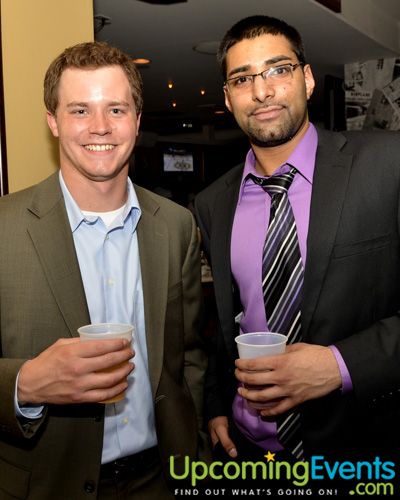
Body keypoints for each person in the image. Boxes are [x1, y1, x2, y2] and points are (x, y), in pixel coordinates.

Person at [0, 41, 208, 499]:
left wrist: (192, 446)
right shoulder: (5, 228)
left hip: (162, 479)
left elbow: (188, 352)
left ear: (136, 120)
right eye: (79, 110)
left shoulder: (175, 225)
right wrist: (26, 384)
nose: (100, 127)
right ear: (52, 121)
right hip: (47, 484)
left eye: (116, 109)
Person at [195, 15, 400, 465]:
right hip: (249, 453)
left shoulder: (387, 166)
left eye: (278, 70)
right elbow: (224, 324)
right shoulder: (212, 203)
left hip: (360, 449)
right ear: (228, 99)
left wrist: (340, 365)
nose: (262, 91)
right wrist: (215, 406)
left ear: (306, 79)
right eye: (242, 78)